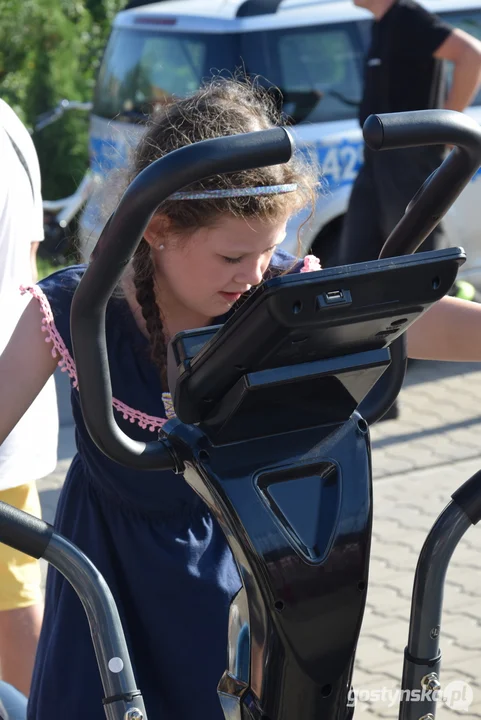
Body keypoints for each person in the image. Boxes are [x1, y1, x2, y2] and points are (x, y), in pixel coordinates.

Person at [0, 77, 481, 719]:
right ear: (159, 227)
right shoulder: (82, 311)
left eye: (271, 250)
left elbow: (412, 316)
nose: (254, 274)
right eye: (233, 255)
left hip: (239, 578)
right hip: (109, 596)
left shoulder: (271, 298)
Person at [336, 0, 481, 268]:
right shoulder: (383, 24)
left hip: (410, 157)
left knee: (415, 261)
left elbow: (472, 55)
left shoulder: (408, 16)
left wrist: (447, 127)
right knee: (358, 259)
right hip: (378, 160)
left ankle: (436, 309)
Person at [0, 100, 59, 696]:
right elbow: (31, 252)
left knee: (13, 616)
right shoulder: (9, 122)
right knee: (13, 603)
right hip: (15, 391)